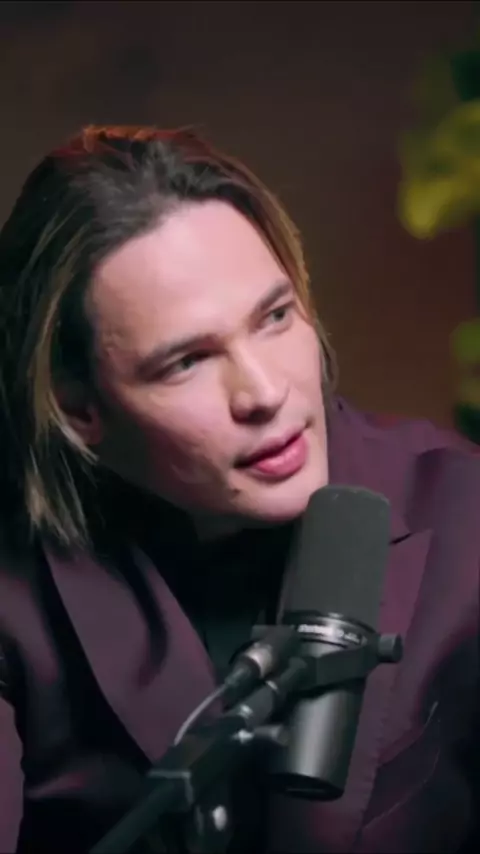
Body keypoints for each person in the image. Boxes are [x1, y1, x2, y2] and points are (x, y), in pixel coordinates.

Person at [0, 124, 478, 854]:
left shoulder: (463, 507)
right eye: (186, 361)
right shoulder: (17, 588)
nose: (265, 392)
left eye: (275, 317)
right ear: (79, 410)